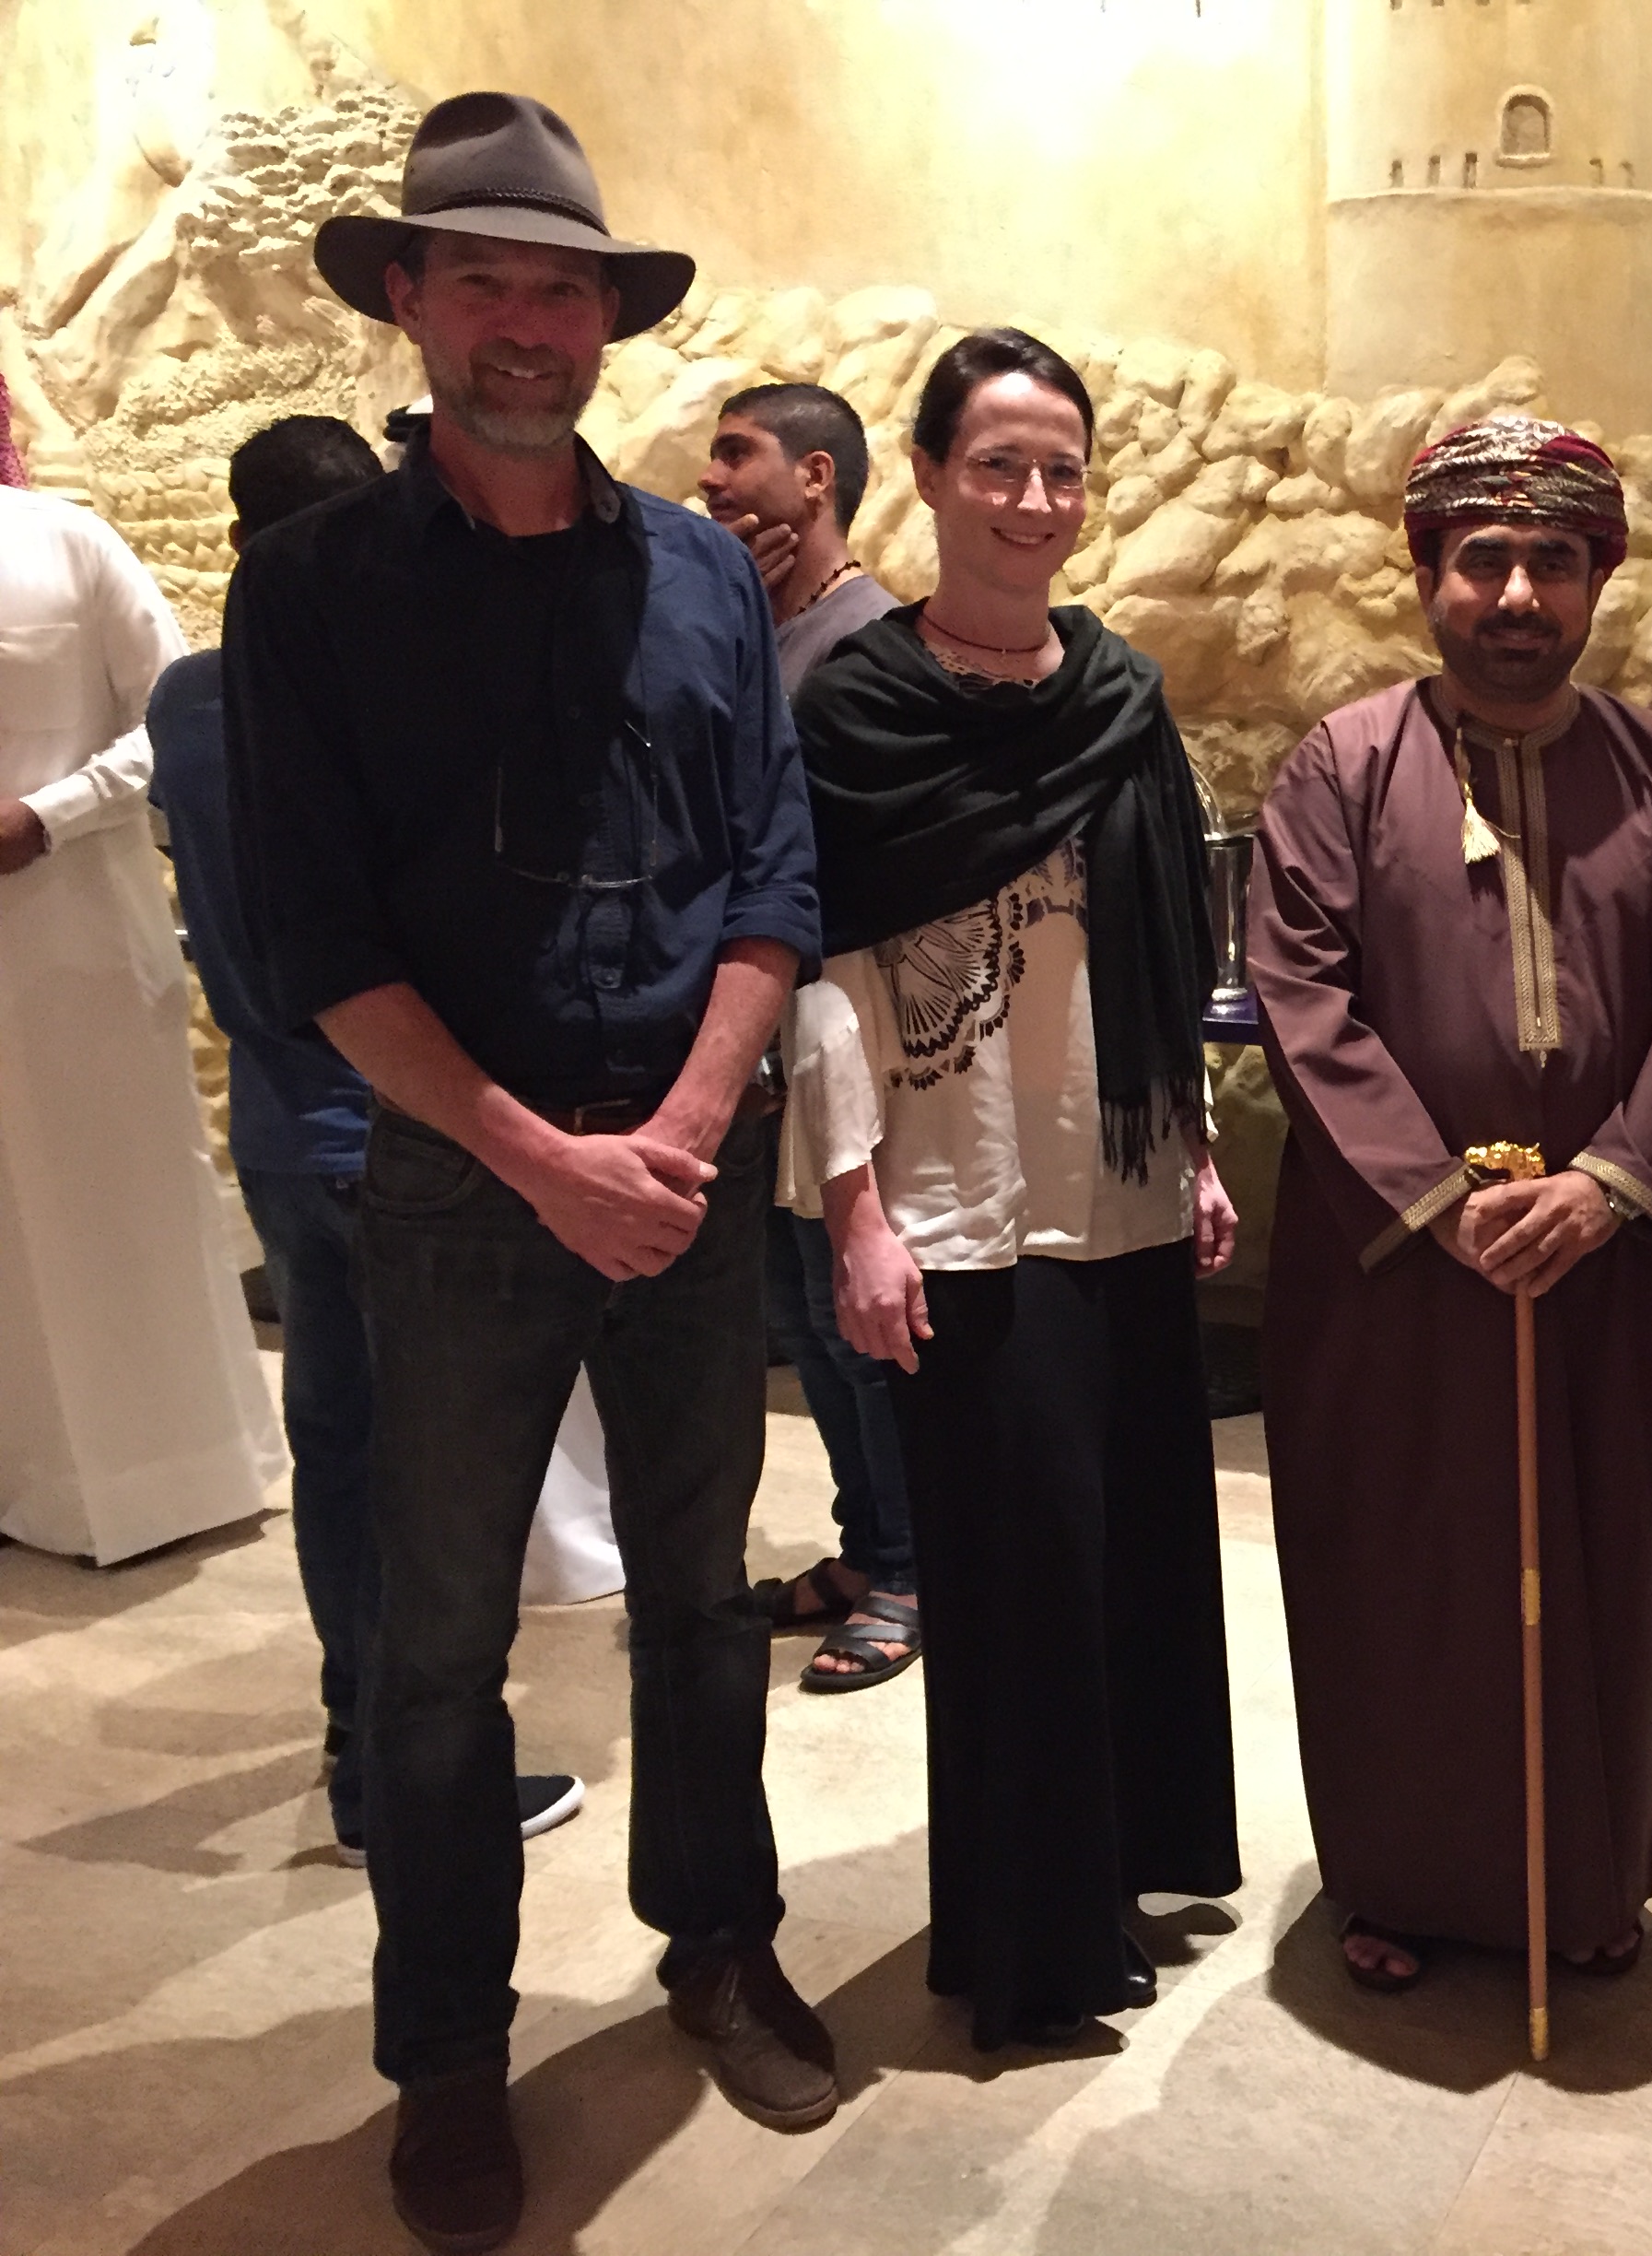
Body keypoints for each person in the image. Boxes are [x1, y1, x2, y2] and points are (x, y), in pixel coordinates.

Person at [224, 93, 835, 2252]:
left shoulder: (697, 570)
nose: (524, 323)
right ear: (407, 297)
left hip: (681, 1172)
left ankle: (718, 1943)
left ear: (604, 321)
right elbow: (318, 946)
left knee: (705, 1596)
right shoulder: (311, 593)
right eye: (480, 278)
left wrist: (679, 1132)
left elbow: (773, 872)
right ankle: (450, 2059)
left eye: (560, 289)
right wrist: (537, 1156)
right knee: (435, 1645)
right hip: (455, 1186)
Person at [1248, 415, 1652, 1991]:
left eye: (1553, 559)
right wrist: (1438, 1198)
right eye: (1482, 558)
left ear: (1598, 578)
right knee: (1400, 1571)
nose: (1517, 594)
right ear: (1427, 575)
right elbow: (1301, 999)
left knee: (1611, 1565)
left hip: (1613, 1265)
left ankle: (1589, 1881)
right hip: (1397, 1272)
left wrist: (1609, 1184)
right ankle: (1396, 1881)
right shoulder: (1339, 771)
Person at [786, 327, 1243, 2049]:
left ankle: (1116, 1872)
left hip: (1119, 1186)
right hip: (957, 1202)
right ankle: (1026, 1943)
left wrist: (1193, 1138)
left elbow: (1167, 933)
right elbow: (818, 975)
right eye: (998, 465)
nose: (1033, 500)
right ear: (925, 476)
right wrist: (853, 1212)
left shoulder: (1117, 691)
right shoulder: (856, 712)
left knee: (1130, 1553)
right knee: (1018, 1579)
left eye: (1061, 469)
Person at [148, 413, 582, 1865]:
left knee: (338, 1449)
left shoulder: (183, 700)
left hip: (280, 1129)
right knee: (428, 1477)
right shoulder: (358, 690)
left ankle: (359, 1750)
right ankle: (411, 1778)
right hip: (400, 1133)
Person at [0, 447, 286, 1566]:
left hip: (73, 945)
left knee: (105, 1206)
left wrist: (48, 815)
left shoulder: (66, 541)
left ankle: (149, 1485)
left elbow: (165, 721)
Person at [699, 380, 920, 1691]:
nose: (713, 477)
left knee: (856, 1320)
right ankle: (867, 1542)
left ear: (818, 477)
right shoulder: (760, 624)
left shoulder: (871, 640)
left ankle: (911, 1568)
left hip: (839, 1030)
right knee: (799, 1311)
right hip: (764, 1033)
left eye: (739, 453)